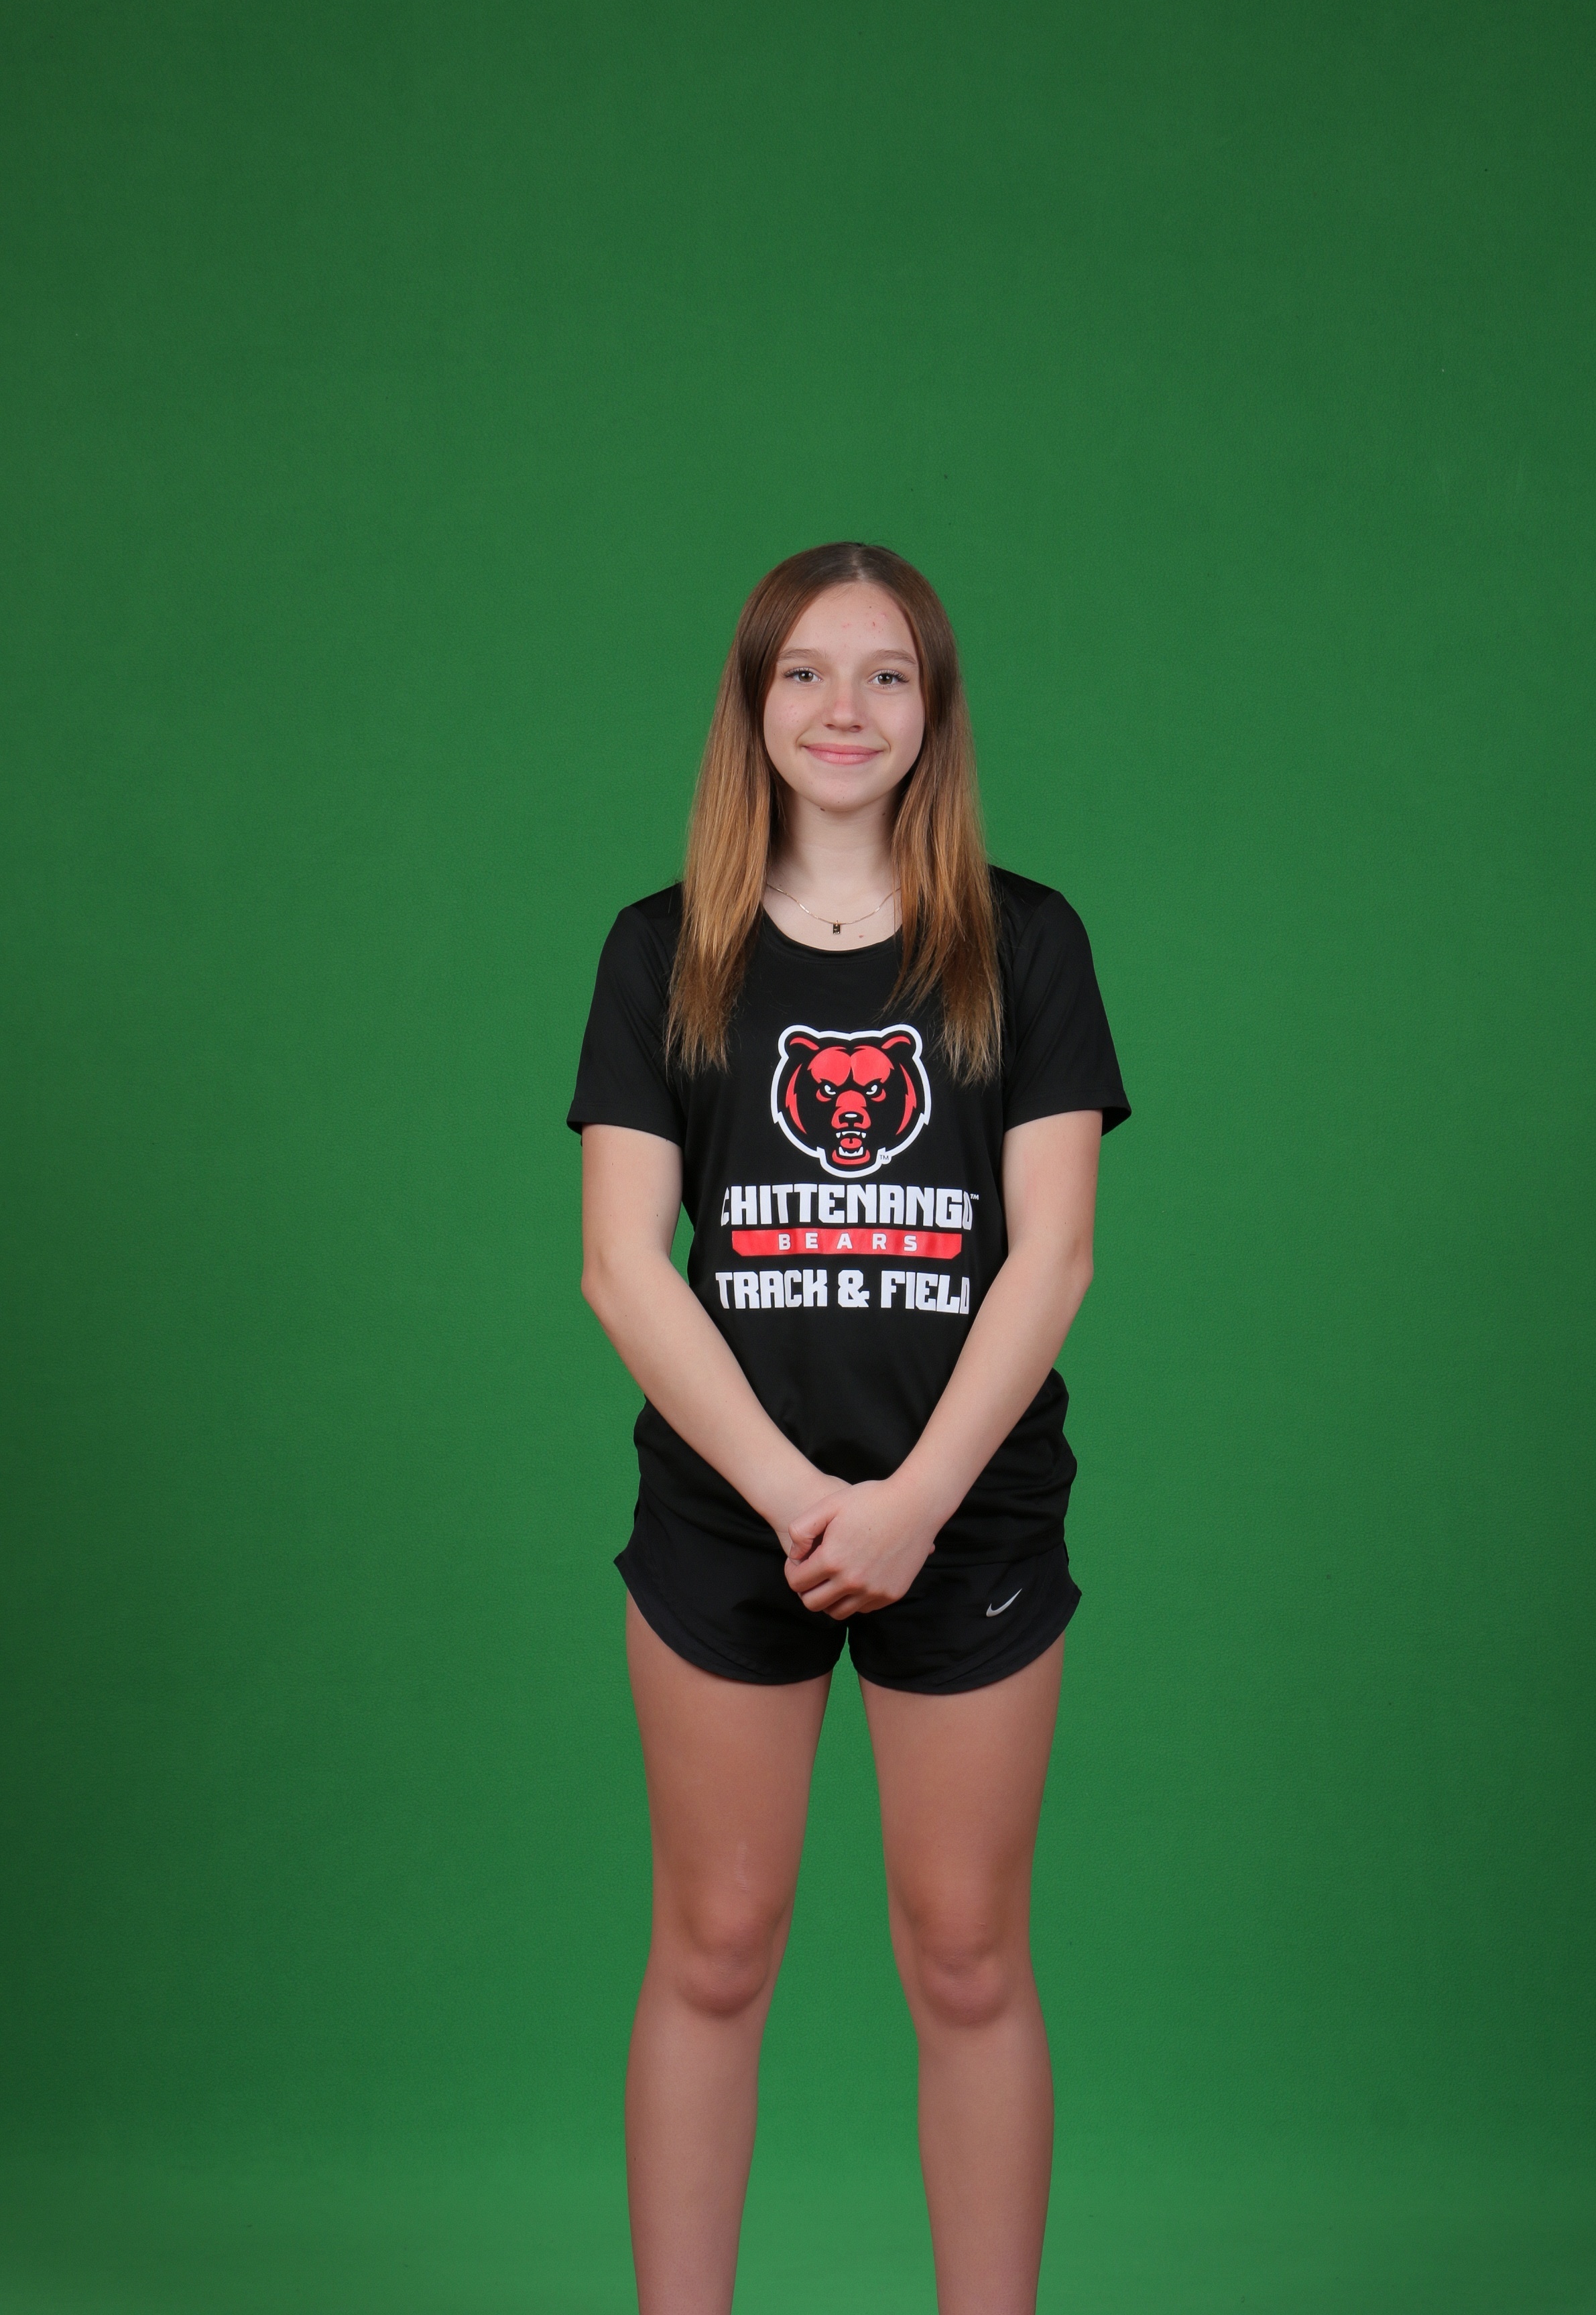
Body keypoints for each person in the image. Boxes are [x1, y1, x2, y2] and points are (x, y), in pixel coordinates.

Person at [567, 541, 1129, 2315]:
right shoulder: (663, 948)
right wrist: (802, 1496)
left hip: (969, 1513)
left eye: (888, 674)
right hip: (732, 1516)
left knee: (966, 1958)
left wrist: (914, 1503)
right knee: (716, 1947)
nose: (845, 709)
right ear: (752, 703)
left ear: (934, 710)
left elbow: (1053, 1257)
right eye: (805, 671)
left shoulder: (1025, 942)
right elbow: (622, 1268)